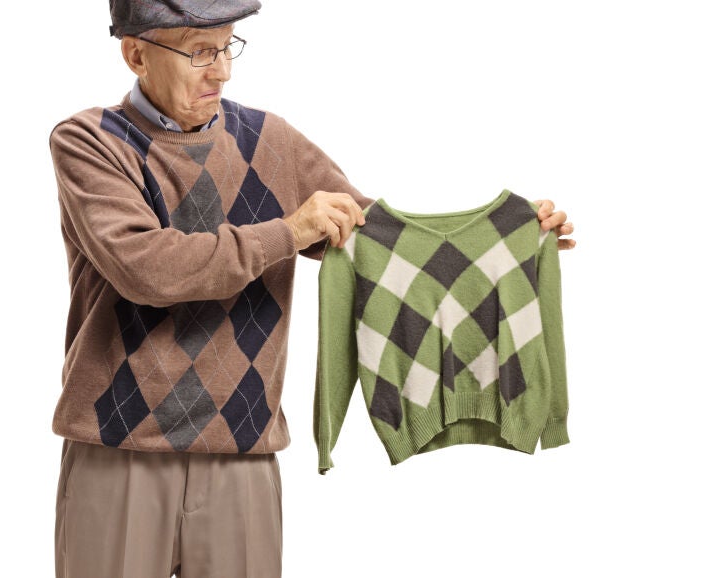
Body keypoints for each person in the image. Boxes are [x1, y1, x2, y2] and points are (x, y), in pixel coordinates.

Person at [48, 2, 576, 576]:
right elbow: (147, 268)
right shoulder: (89, 141)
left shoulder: (270, 139)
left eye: (227, 46)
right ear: (135, 54)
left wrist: (508, 238)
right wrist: (289, 231)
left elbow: (372, 240)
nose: (222, 70)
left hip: (244, 449)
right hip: (117, 448)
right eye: (200, 51)